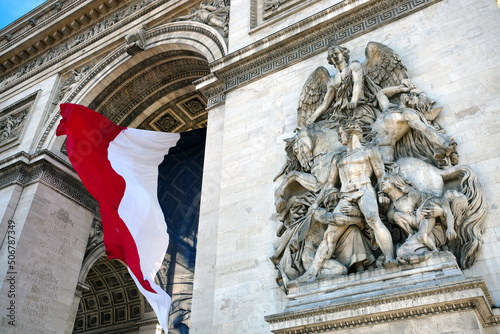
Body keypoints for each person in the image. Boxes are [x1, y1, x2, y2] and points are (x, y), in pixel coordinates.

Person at [295, 121, 396, 283]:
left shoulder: (369, 151)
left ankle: (390, 258)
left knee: (373, 219)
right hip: (345, 196)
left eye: (341, 133)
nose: (339, 137)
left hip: (365, 190)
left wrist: (382, 192)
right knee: (330, 234)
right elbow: (329, 185)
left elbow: (380, 175)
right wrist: (315, 204)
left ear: (350, 133)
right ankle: (311, 272)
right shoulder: (338, 157)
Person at [372, 80, 457, 167]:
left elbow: (426, 130)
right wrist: (401, 89)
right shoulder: (390, 108)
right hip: (369, 145)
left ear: (413, 103)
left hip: (383, 153)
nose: (407, 94)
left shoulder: (408, 115)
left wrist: (443, 143)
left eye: (411, 95)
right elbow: (381, 94)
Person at [305, 42, 379, 131]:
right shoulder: (332, 81)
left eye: (336, 54)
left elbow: (357, 83)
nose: (335, 57)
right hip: (339, 114)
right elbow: (325, 104)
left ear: (343, 54)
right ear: (330, 60)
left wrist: (354, 100)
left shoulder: (354, 66)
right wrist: (312, 118)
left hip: (358, 108)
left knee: (366, 131)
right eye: (332, 56)